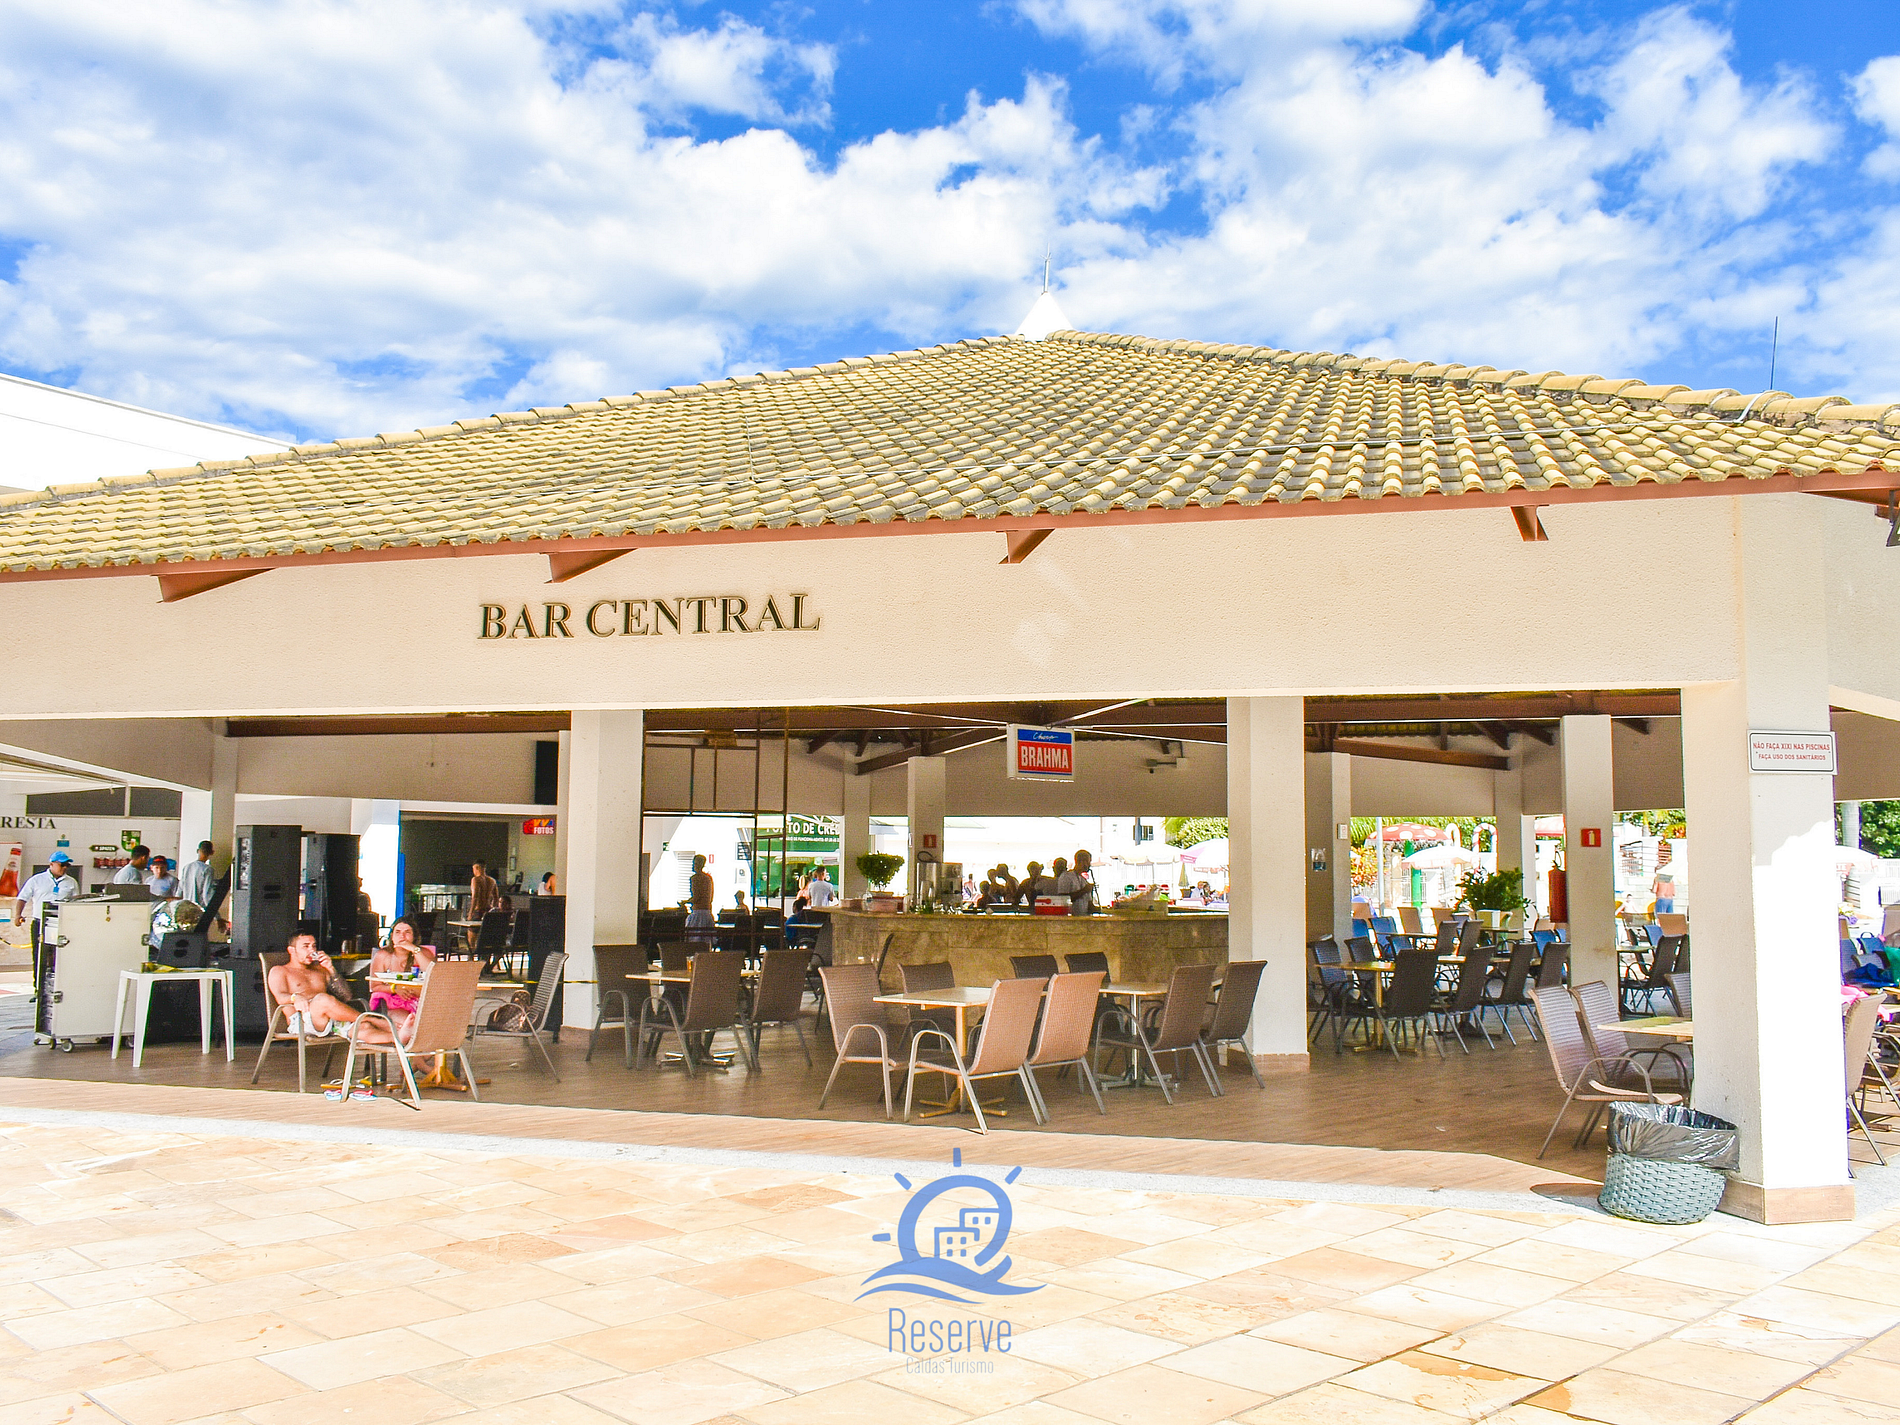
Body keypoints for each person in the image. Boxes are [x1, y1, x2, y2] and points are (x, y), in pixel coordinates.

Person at [267, 932, 394, 1042]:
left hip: (331, 1018)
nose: (311, 950)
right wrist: (295, 997)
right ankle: (372, 1019)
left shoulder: (320, 970)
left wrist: (331, 969)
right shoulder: (280, 971)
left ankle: (399, 1039)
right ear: (291, 950)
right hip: (301, 1021)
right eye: (306, 946)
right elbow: (280, 996)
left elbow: (346, 996)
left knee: (364, 1028)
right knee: (322, 999)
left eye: (314, 946)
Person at [366, 917, 435, 1031]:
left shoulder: (423, 953)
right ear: (392, 936)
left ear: (414, 936)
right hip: (393, 1004)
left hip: (423, 1003)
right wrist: (395, 988)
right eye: (397, 932)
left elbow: (433, 974)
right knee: (409, 1023)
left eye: (407, 932)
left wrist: (414, 950)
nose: (402, 936)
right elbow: (374, 986)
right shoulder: (382, 955)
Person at [14, 851, 79, 929]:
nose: (65, 867)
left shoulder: (72, 882)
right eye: (62, 865)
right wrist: (18, 915)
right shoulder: (36, 880)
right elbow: (22, 898)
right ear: (51, 864)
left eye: (67, 865)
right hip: (40, 921)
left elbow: (76, 902)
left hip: (63, 921)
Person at [1057, 849, 1097, 917]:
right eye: (1088, 862)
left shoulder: (1083, 880)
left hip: (1084, 918)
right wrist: (1084, 891)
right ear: (1082, 861)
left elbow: (1089, 905)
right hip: (1070, 919)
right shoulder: (1066, 876)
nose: (1089, 865)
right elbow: (1063, 899)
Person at [180, 841, 217, 908]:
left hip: (186, 908)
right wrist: (214, 911)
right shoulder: (208, 869)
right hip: (199, 908)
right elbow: (207, 894)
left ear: (197, 851)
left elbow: (180, 890)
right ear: (212, 852)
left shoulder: (187, 867)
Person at [685, 854, 716, 930]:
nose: (693, 866)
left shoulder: (695, 878)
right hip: (707, 912)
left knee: (694, 935)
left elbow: (696, 897)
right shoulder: (708, 878)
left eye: (695, 863)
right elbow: (710, 897)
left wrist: (685, 902)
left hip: (698, 913)